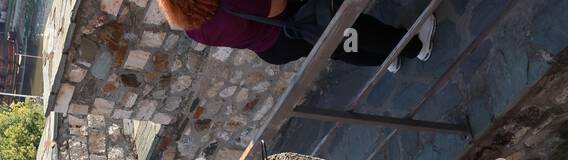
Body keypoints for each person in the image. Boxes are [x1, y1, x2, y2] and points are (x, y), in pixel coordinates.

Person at [157, 0, 437, 69]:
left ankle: (387, 60)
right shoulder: (229, 3)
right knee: (355, 29)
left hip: (275, 49)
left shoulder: (194, 30)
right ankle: (416, 47)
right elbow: (276, 6)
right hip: (294, 26)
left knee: (338, 50)